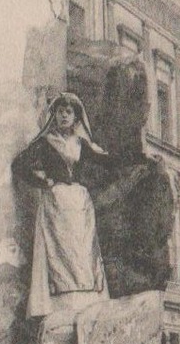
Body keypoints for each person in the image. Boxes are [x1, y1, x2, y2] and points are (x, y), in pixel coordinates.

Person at [10, 92, 114, 318]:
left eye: (69, 112)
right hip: (56, 205)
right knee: (60, 256)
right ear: (54, 115)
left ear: (76, 117)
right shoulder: (45, 143)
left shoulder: (81, 144)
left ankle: (86, 305)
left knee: (83, 254)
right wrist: (42, 181)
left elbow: (106, 162)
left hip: (80, 207)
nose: (64, 116)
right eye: (60, 112)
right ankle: (59, 308)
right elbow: (19, 165)